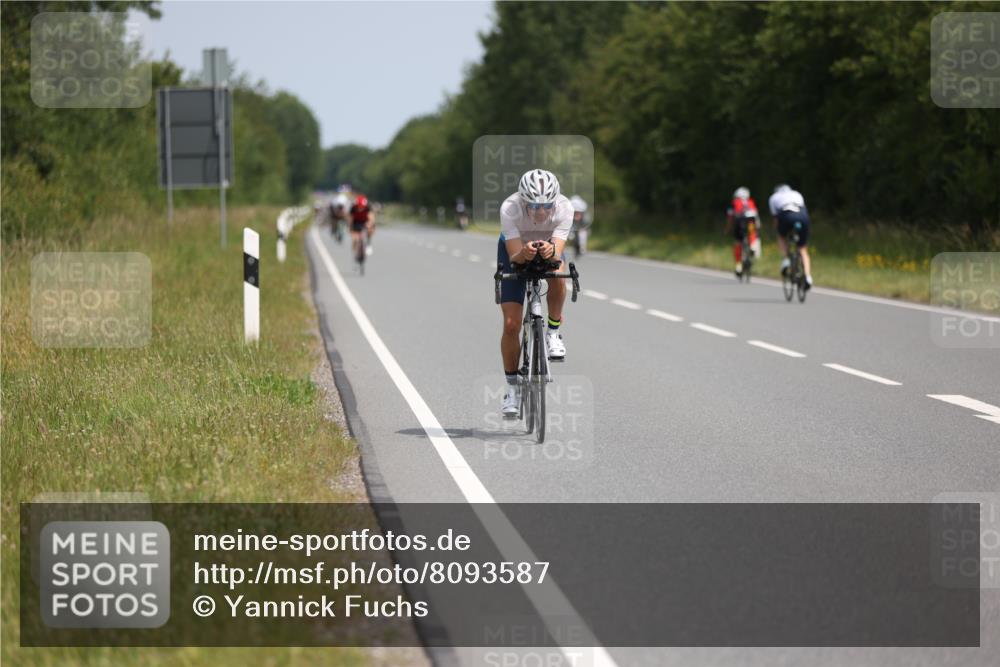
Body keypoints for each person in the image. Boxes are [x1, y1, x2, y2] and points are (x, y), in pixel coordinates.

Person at [497, 169, 574, 417]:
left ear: (555, 201)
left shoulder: (564, 208)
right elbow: (515, 257)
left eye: (547, 205)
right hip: (516, 248)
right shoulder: (510, 208)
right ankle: (512, 389)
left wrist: (548, 251)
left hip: (549, 244)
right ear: (523, 201)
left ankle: (553, 332)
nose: (541, 212)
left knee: (559, 273)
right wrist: (525, 253)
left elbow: (557, 252)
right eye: (534, 206)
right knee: (511, 324)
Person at [768, 184, 812, 288]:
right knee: (803, 249)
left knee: (781, 237)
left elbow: (776, 220)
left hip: (786, 214)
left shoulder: (773, 197)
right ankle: (808, 276)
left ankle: (786, 260)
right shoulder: (797, 194)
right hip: (802, 215)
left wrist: (777, 231)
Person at [725, 187, 761, 277]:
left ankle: (738, 266)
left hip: (740, 221)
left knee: (738, 242)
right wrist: (758, 227)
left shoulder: (734, 203)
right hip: (751, 220)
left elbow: (730, 218)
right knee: (752, 233)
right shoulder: (750, 202)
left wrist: (728, 229)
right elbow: (756, 215)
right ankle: (752, 246)